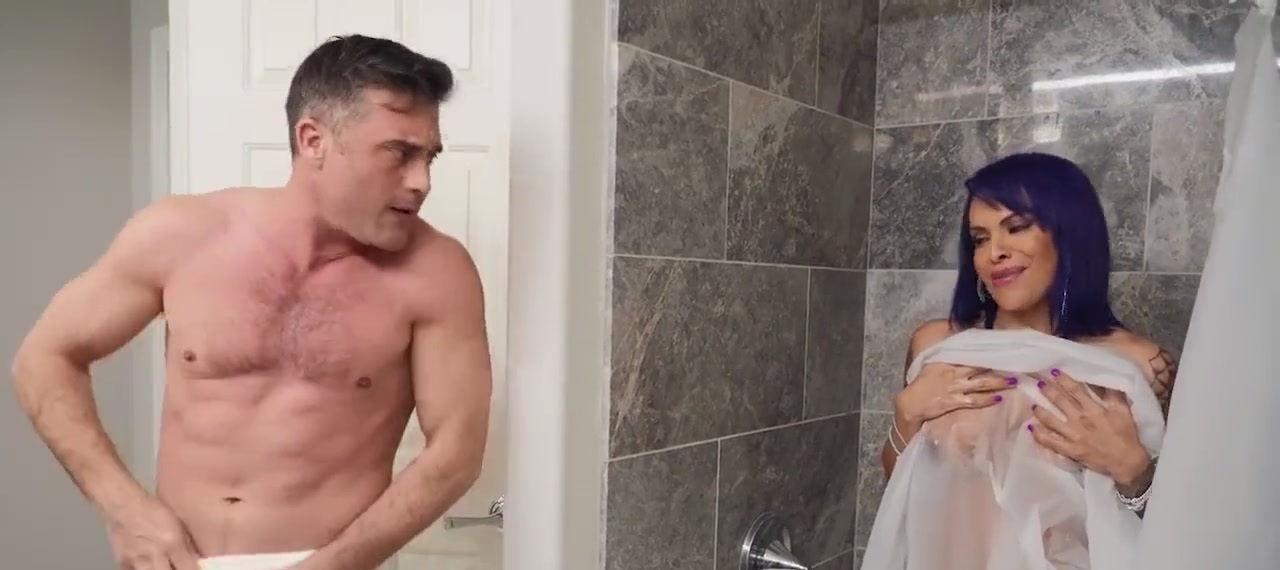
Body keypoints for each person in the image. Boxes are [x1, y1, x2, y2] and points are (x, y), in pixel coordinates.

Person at [9, 35, 492, 570]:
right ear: (313, 140)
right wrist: (126, 512)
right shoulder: (182, 235)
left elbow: (457, 453)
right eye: (399, 153)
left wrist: (332, 566)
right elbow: (43, 358)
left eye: (429, 157)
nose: (422, 181)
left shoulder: (437, 274)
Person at [881, 153, 1179, 518]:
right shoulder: (938, 346)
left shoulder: (1141, 364)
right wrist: (905, 419)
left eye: (1017, 227)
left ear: (1069, 234)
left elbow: (1182, 529)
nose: (994, 252)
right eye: (980, 239)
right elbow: (898, 499)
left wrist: (1132, 470)